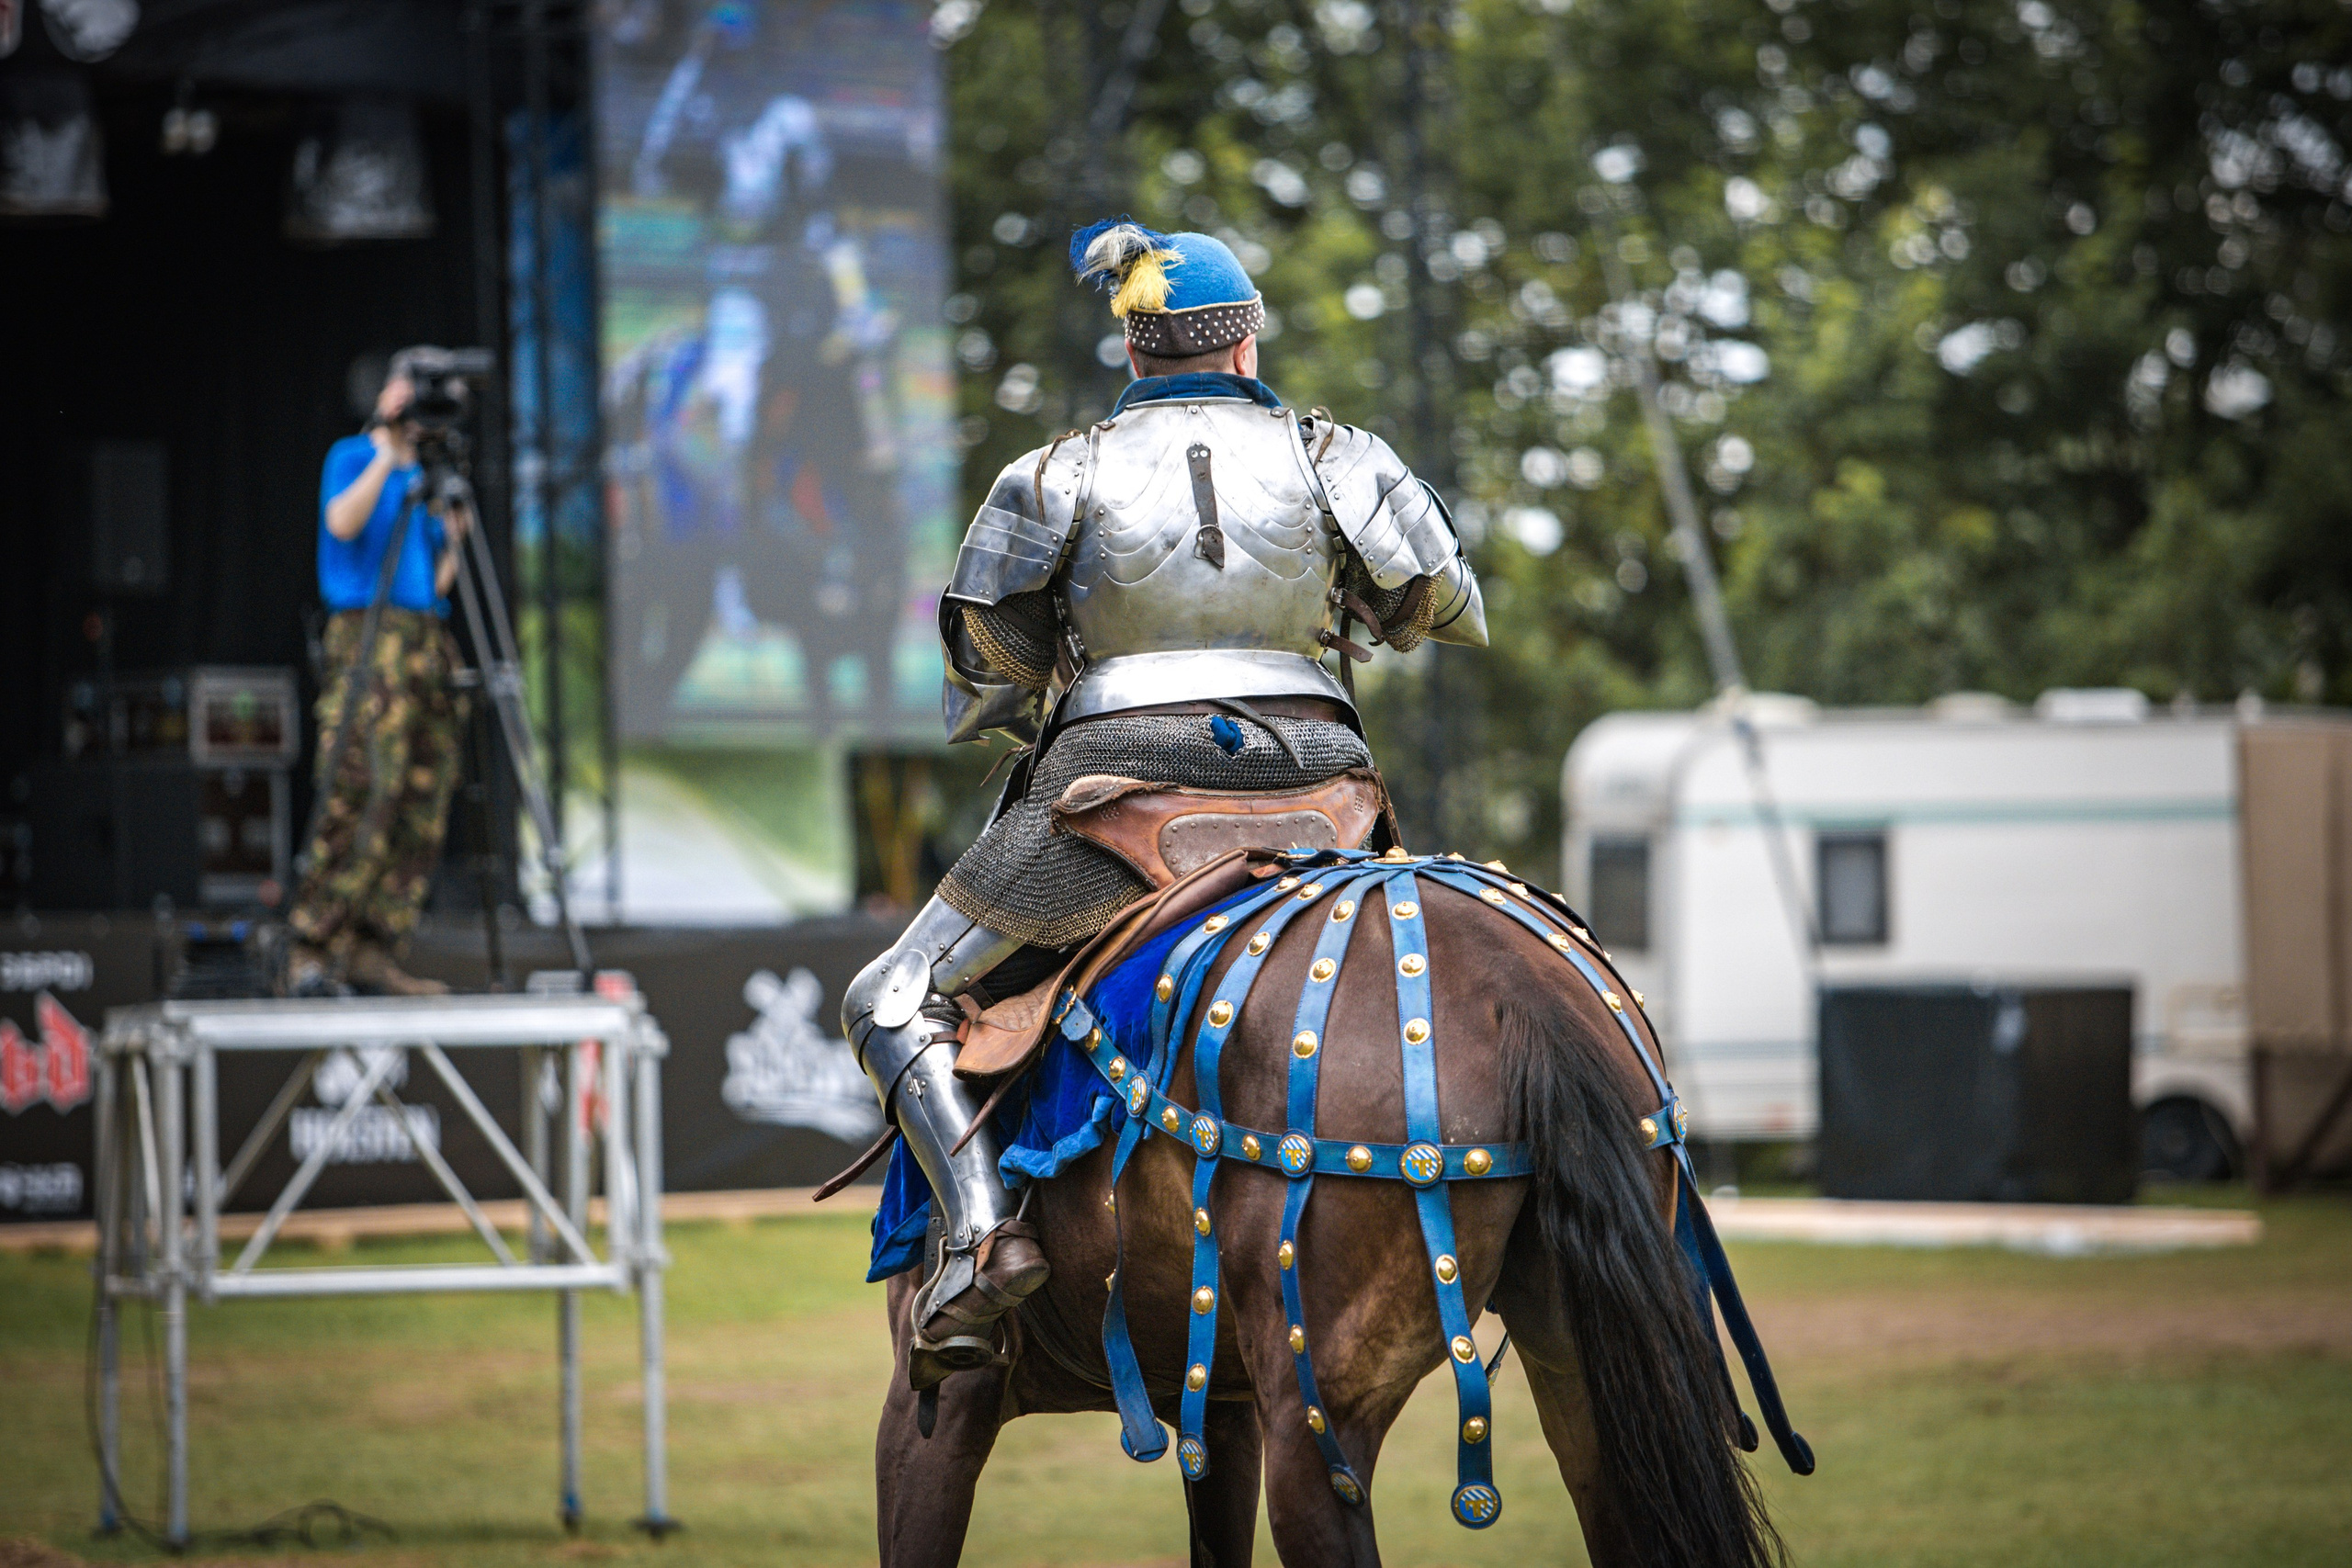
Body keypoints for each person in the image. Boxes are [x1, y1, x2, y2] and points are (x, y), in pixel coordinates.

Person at [841, 219, 1486, 1383]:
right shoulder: (1337, 452)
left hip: (1117, 786)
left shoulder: (1054, 472)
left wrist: (1064, 669)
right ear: (1246, 343)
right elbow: (1439, 601)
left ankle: (981, 1235)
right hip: (1318, 788)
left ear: (1132, 353)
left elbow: (986, 664)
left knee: (890, 997)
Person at [284, 355, 473, 997]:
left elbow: (434, 584)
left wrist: (454, 540)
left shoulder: (426, 474)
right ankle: (312, 946)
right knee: (363, 785)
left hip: (423, 637)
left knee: (423, 796)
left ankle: (373, 945)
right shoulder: (353, 456)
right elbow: (343, 522)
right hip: (369, 636)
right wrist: (387, 452)